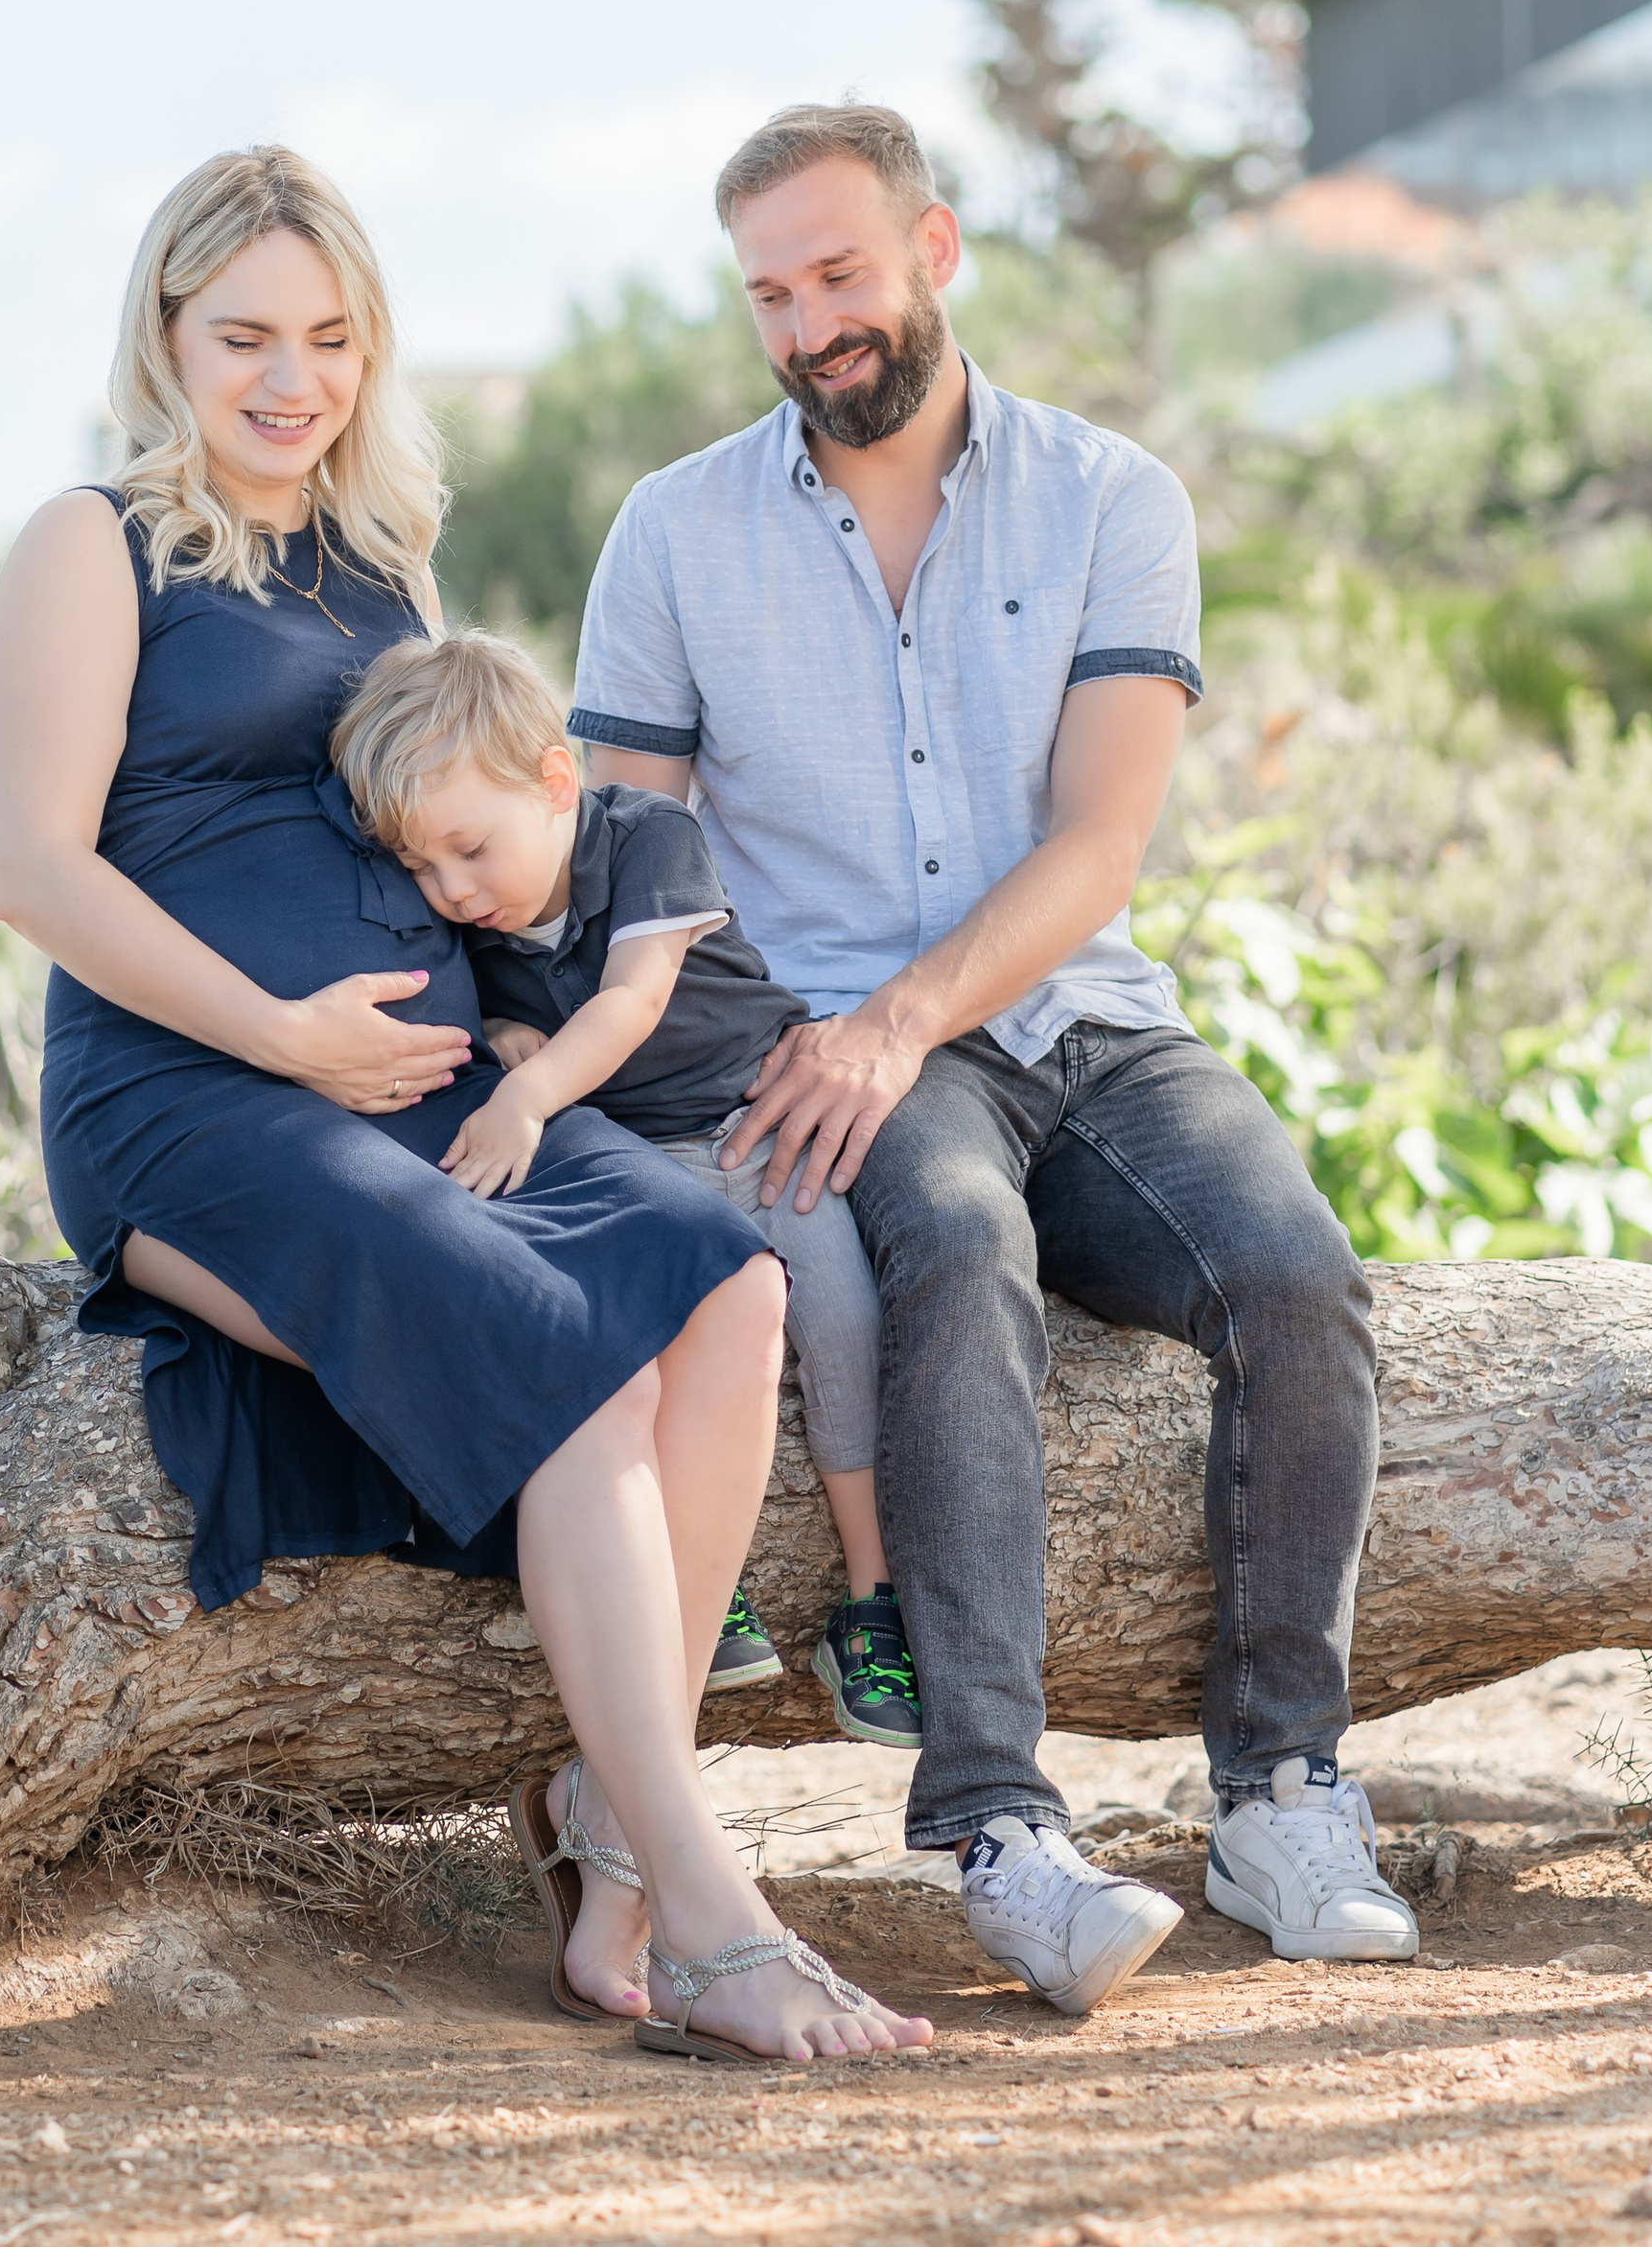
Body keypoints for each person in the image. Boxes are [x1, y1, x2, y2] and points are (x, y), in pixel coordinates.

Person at [0, 142, 931, 2069]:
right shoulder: (90, 543)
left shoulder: (383, 556)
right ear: (163, 335)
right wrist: (282, 1035)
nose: (286, 379)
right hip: (197, 1100)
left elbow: (468, 820)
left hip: (425, 1092)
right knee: (563, 1356)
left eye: (329, 339)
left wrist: (517, 1028)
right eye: (242, 334)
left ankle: (605, 1829)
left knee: (721, 1282)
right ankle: (708, 1911)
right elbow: (35, 874)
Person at [569, 100, 1420, 2017]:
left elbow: (1096, 845)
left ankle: (1279, 1793)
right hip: (838, 1058)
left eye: (839, 273)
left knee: (1294, 1281)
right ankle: (996, 1832)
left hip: (1074, 1015)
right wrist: (725, 1060)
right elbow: (626, 856)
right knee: (953, 1255)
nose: (808, 323)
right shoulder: (672, 533)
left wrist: (898, 1016)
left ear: (932, 252)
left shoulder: (1107, 496)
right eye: (770, 293)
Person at [327, 624, 921, 1748]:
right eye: (420, 869)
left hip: (752, 1122)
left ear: (557, 781)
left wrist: (529, 1092)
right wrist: (500, 1025)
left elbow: (631, 1000)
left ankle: (871, 1596)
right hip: (637, 1154)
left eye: (468, 849)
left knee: (839, 1313)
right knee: (644, 1345)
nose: (453, 890)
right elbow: (497, 1010)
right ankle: (703, 1581)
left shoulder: (645, 836)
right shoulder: (479, 918)